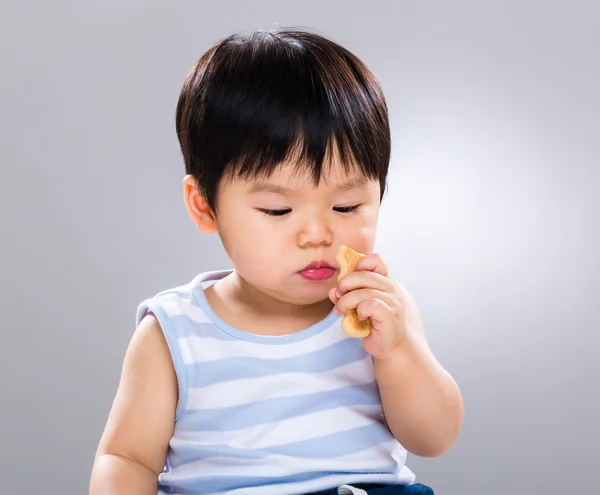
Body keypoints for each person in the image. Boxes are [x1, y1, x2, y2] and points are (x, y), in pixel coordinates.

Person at [89, 27, 463, 495]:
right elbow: (126, 458)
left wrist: (397, 350)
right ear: (204, 205)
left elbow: (435, 438)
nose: (318, 234)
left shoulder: (379, 310)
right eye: (277, 210)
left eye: (347, 206)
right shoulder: (175, 332)